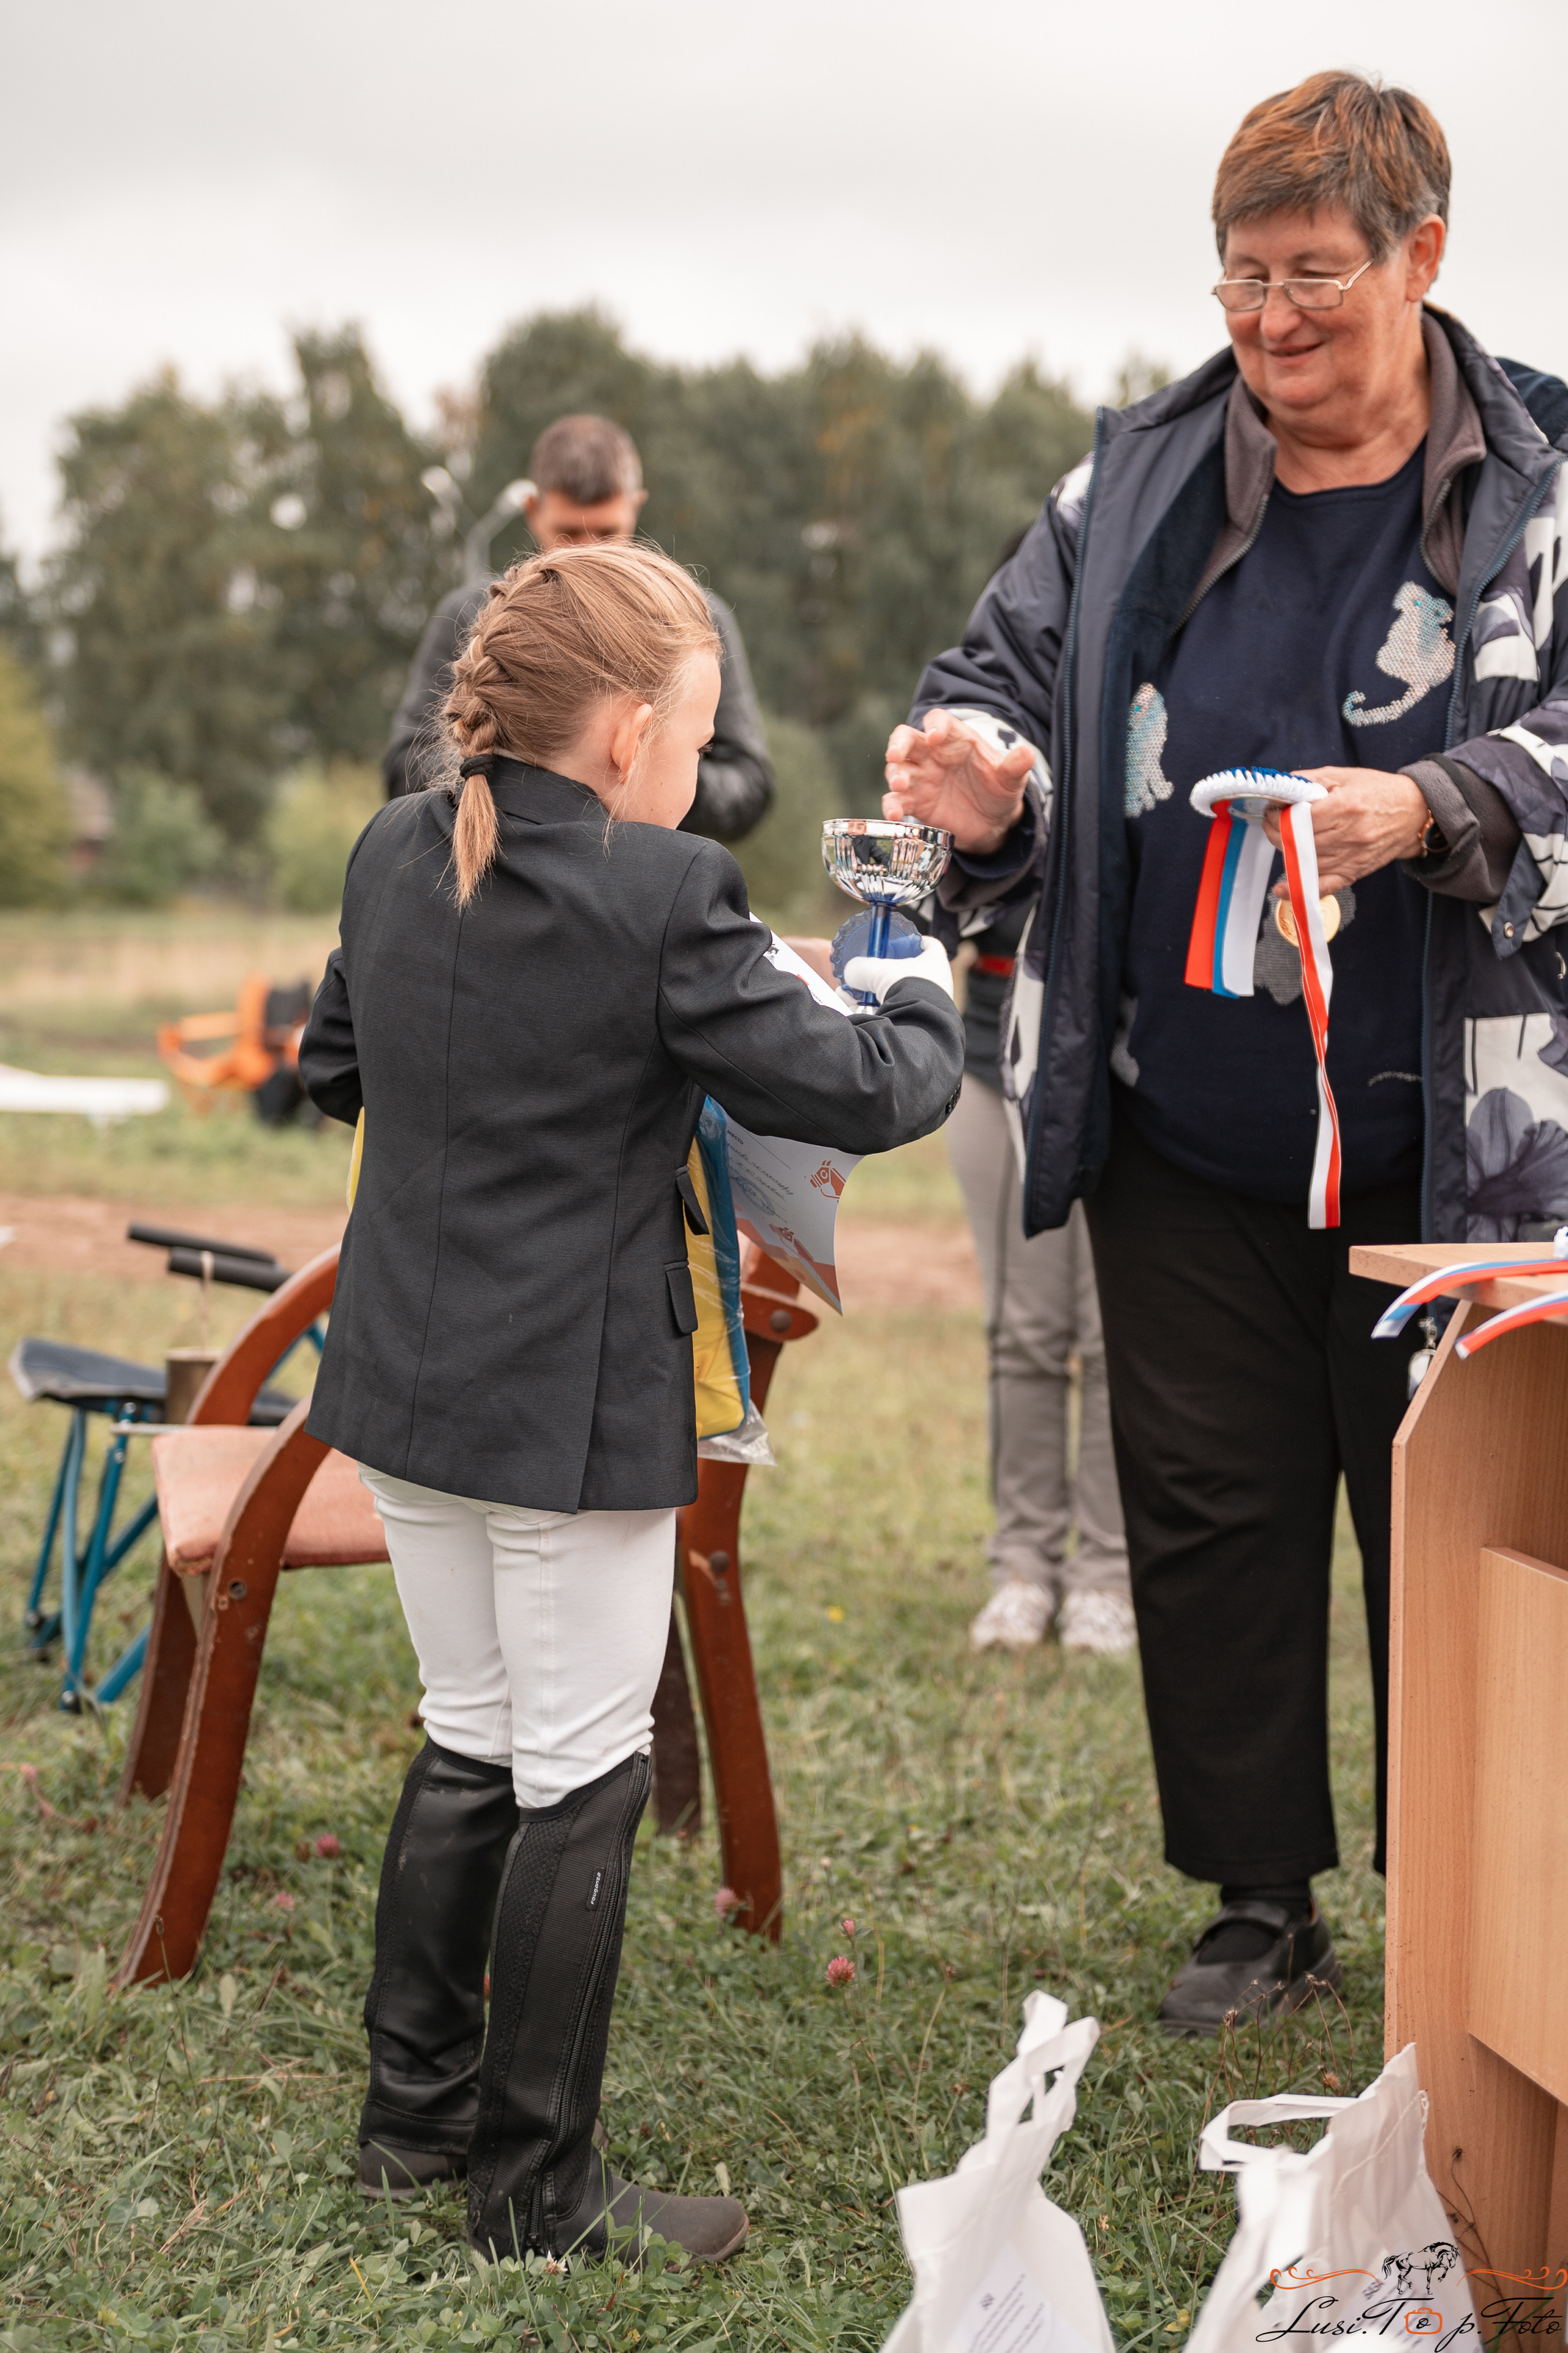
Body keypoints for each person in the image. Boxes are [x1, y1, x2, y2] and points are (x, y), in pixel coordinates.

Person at [881, 71, 1568, 2035]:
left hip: (1456, 1158)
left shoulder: (1541, 477)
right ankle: (1257, 1901)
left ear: (1422, 257)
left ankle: (1470, 1882)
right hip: (1180, 1122)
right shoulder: (1135, 481)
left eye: (1315, 278)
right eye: (1241, 278)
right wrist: (978, 773)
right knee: (1206, 1511)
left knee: (1458, 1533)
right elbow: (989, 684)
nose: (1270, 323)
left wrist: (1433, 800)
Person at [299, 543, 962, 2259]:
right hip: (572, 1405)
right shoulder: (670, 896)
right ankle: (536, 2188)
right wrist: (915, 960)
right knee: (579, 1772)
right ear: (619, 731)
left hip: (404, 1383)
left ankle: (410, 2128)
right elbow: (885, 1086)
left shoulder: (389, 847)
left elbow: (333, 1067)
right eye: (697, 731)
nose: (699, 764)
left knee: (470, 1735)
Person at [382, 413, 774, 842]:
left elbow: (750, 785)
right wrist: (534, 783)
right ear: (534, 511)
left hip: (653, 886)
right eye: (568, 533)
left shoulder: (695, 621)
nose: (589, 551)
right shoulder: (469, 615)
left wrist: (660, 772)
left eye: (607, 532)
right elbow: (406, 767)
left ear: (635, 506)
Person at [944, 890, 1133, 1655]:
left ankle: (1108, 1576)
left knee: (1111, 1337)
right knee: (1022, 1331)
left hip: (1132, 1063)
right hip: (999, 1054)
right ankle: (1022, 1568)